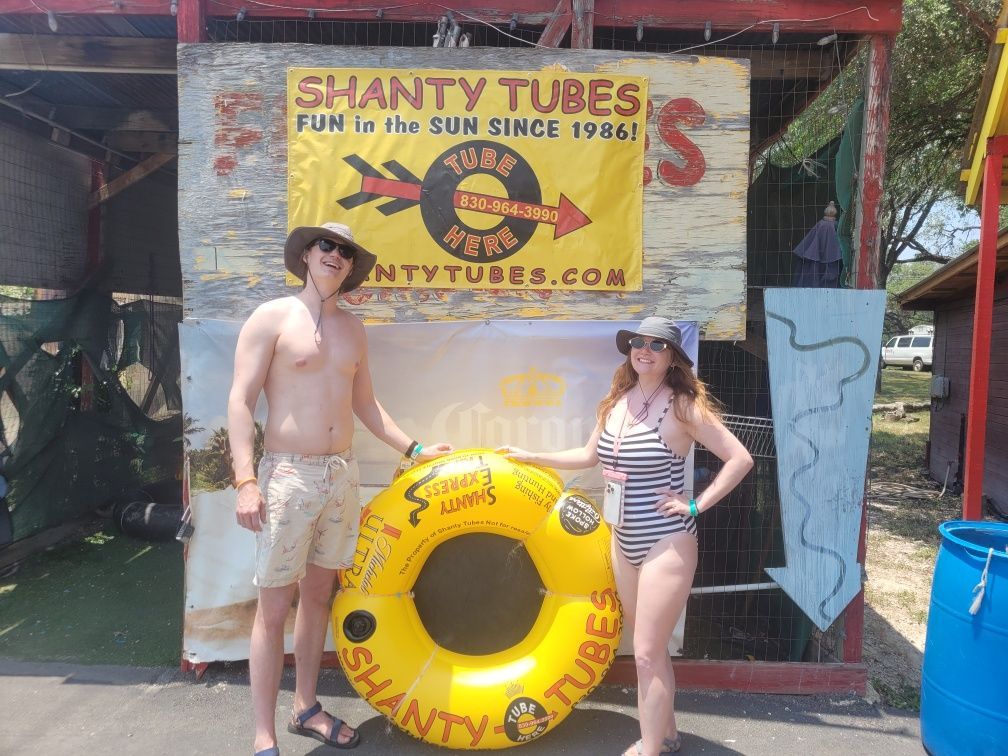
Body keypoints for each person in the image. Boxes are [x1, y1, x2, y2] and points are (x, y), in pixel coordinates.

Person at [227, 221, 452, 756]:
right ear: (307, 255)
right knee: (273, 607)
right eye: (326, 246)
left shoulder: (353, 329)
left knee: (318, 597)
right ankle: (263, 736)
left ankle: (305, 707)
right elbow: (240, 400)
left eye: (346, 252)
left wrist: (415, 449)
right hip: (287, 476)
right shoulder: (270, 317)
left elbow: (366, 404)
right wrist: (245, 480)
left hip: (340, 475)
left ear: (350, 267)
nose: (336, 255)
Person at [500, 317, 753, 756]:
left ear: (673, 357)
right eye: (639, 342)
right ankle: (667, 736)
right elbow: (587, 455)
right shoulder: (617, 401)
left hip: (666, 541)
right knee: (649, 650)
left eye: (657, 345)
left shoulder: (683, 406)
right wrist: (531, 456)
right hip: (623, 540)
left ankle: (649, 748)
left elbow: (740, 459)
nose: (645, 350)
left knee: (646, 653)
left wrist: (695, 504)